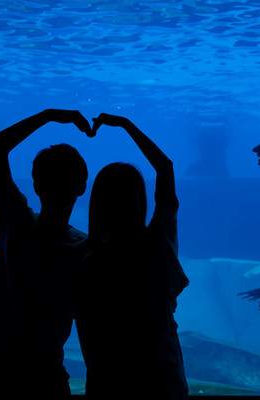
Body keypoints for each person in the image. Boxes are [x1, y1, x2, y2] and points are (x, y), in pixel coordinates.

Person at [0, 109, 92, 399]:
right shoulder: (86, 248)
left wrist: (50, 115)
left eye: (61, 178)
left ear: (35, 184)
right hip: (35, 371)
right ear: (82, 187)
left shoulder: (14, 219)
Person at [75, 113, 189, 399]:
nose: (121, 205)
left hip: (119, 380)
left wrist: (127, 125)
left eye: (125, 197)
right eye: (117, 197)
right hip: (152, 379)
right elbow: (165, 168)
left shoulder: (88, 258)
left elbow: (165, 169)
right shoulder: (154, 245)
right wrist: (125, 125)